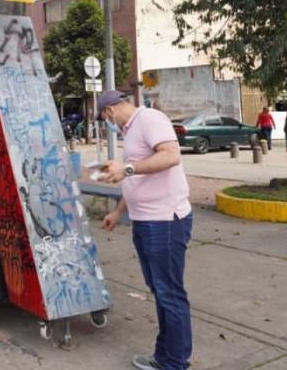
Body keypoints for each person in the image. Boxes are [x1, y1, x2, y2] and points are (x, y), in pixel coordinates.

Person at [98, 90, 192, 370]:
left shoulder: (150, 118)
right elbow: (138, 179)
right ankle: (164, 357)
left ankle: (175, 363)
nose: (107, 123)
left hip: (165, 221)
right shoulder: (131, 130)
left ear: (109, 112)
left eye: (104, 118)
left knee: (169, 293)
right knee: (160, 290)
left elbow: (171, 156)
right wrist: (118, 211)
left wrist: (126, 168)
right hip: (145, 220)